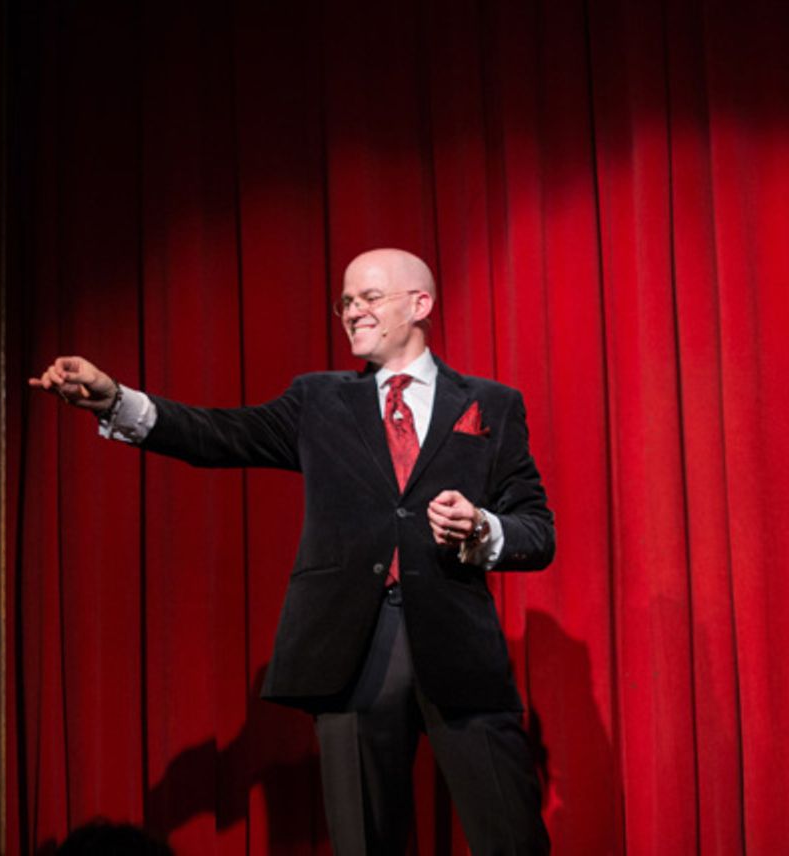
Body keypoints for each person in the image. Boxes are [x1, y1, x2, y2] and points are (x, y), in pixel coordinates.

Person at [30, 248, 554, 855]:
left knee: (512, 840)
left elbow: (537, 530)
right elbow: (218, 435)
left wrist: (483, 528)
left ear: (421, 304)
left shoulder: (492, 404)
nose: (352, 311)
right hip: (352, 650)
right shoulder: (318, 400)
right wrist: (114, 399)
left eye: (369, 298)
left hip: (460, 649)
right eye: (345, 302)